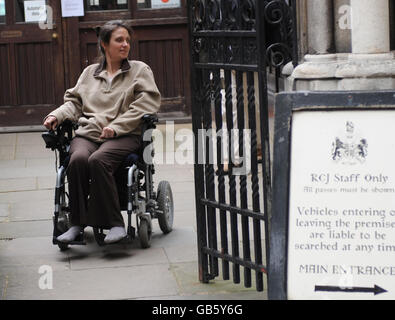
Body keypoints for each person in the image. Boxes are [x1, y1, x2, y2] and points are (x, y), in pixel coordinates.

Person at [43, 20, 161, 244]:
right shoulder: (89, 73)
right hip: (89, 133)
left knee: (99, 160)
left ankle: (114, 224)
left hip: (126, 134)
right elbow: (74, 103)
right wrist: (56, 115)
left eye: (127, 40)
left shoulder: (139, 70)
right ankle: (77, 224)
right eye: (119, 40)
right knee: (76, 160)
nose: (125, 44)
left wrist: (116, 127)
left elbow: (146, 105)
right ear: (105, 44)